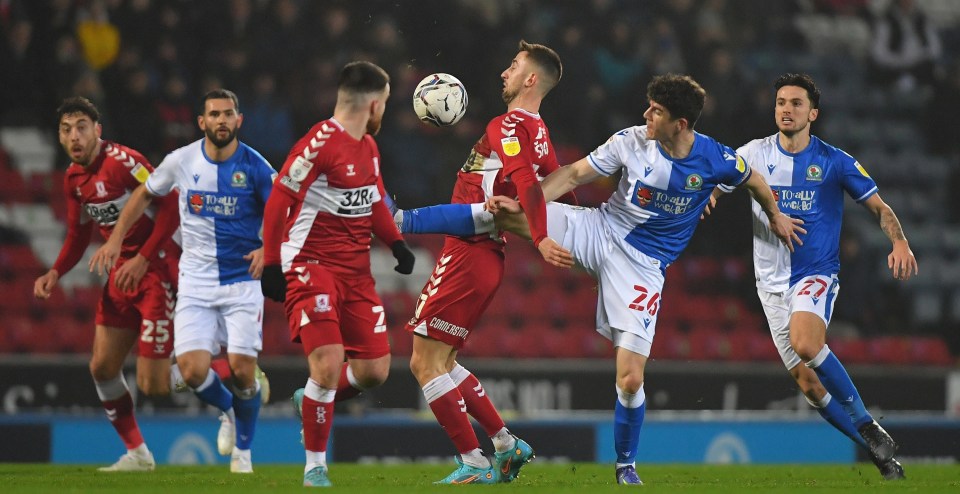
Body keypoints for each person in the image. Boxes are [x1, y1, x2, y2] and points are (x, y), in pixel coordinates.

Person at [486, 74, 804, 484]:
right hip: (600, 231)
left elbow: (755, 180)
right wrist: (529, 203)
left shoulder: (716, 158)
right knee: (501, 213)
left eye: (656, 111)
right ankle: (408, 220)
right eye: (648, 107)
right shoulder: (631, 140)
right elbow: (571, 175)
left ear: (681, 124)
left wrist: (775, 215)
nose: (646, 115)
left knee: (630, 377)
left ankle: (625, 465)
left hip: (643, 268)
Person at [712, 73, 917, 480]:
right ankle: (878, 451)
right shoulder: (752, 153)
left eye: (796, 103)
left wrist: (900, 241)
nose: (786, 109)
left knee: (807, 343)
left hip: (814, 273)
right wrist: (710, 197)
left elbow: (879, 207)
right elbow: (719, 180)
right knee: (808, 385)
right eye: (781, 103)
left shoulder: (834, 161)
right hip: (768, 283)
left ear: (813, 113)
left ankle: (865, 422)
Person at [400, 40, 581, 486]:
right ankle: (504, 444)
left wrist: (539, 238)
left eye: (514, 66)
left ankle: (473, 460)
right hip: (483, 258)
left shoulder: (506, 124)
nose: (505, 72)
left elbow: (527, 186)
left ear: (531, 79)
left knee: (424, 364)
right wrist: (591, 247)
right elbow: (564, 192)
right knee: (443, 361)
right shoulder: (539, 131)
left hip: (469, 252)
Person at [90, 89, 275, 474]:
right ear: (202, 121)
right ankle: (230, 412)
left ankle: (243, 455)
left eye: (228, 114)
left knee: (242, 368)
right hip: (195, 283)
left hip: (242, 280)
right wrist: (115, 238)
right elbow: (144, 194)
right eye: (214, 114)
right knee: (190, 372)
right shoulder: (181, 160)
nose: (221, 120)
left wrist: (268, 250)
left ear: (239, 121)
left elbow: (282, 211)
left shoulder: (256, 167)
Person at [259, 61, 415, 488]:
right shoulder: (319, 143)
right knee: (327, 366)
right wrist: (273, 262)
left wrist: (395, 243)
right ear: (374, 103)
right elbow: (277, 203)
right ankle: (315, 466)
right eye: (384, 104)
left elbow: (375, 201)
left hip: (357, 273)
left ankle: (307, 400)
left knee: (373, 372)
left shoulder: (368, 147)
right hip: (311, 265)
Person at [34, 96, 180, 471]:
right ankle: (138, 455)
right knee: (101, 367)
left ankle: (217, 377)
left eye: (81, 126)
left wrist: (143, 257)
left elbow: (171, 205)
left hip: (157, 267)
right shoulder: (73, 178)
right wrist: (55, 272)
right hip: (122, 276)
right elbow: (78, 234)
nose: (74, 136)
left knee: (155, 385)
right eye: (66, 130)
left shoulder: (125, 163)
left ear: (98, 130)